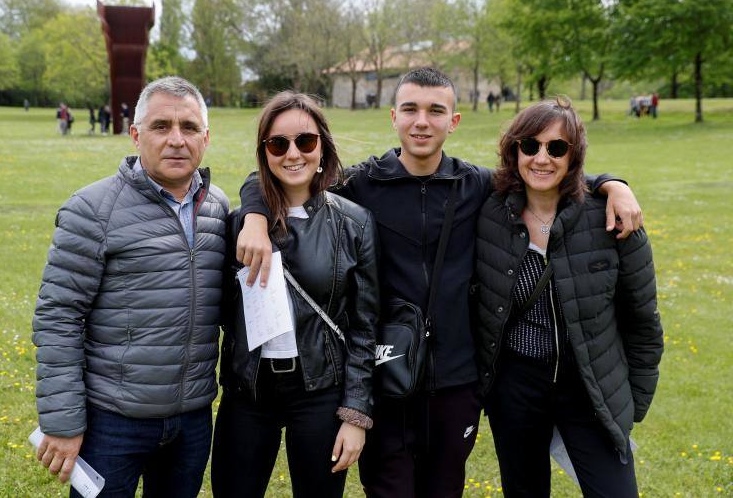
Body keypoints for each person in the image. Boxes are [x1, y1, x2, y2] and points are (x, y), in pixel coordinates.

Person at [235, 67, 644, 497]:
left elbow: (548, 176)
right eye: (410, 109)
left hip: (456, 382)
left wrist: (613, 184)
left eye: (435, 111)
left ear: (454, 120)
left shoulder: (480, 185)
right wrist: (255, 215)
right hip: (387, 376)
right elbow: (286, 174)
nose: (421, 122)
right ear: (393, 116)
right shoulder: (360, 184)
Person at [32, 76, 228, 497]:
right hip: (113, 422)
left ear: (206, 138)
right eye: (161, 126)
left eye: (189, 127)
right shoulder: (92, 209)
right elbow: (59, 316)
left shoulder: (218, 208)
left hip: (192, 421)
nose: (176, 139)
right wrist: (64, 423)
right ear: (135, 134)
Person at [473, 97, 663, 497]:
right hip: (516, 389)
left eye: (557, 148)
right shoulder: (489, 211)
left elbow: (643, 320)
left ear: (573, 156)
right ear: (514, 150)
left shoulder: (611, 219)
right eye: (531, 145)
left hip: (588, 388)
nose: (542, 158)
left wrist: (634, 402)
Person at [211, 92, 379, 497]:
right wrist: (254, 216)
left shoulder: (353, 224)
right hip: (249, 393)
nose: (292, 154)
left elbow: (364, 325)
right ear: (264, 152)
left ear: (322, 145)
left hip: (320, 393)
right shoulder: (238, 224)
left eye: (305, 141)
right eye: (277, 143)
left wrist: (356, 414)